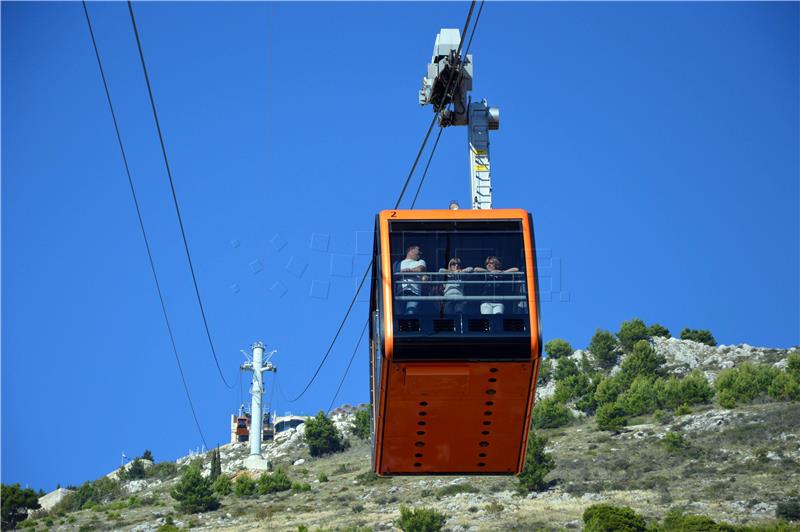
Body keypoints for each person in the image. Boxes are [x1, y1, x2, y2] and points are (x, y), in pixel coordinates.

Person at [399, 245, 426, 314]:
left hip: (414, 293)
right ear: (411, 249)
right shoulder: (399, 264)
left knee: (410, 313)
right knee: (397, 314)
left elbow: (419, 270)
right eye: (418, 250)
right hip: (400, 293)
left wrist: (407, 271)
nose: (421, 253)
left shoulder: (420, 262)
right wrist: (411, 272)